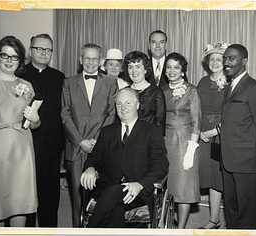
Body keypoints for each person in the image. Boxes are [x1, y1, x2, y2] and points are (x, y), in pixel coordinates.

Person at [80, 88, 169, 228]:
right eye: (119, 104)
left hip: (138, 192)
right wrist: (90, 168)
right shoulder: (107, 131)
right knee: (116, 207)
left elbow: (161, 165)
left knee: (112, 193)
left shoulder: (151, 131)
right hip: (109, 188)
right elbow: (95, 157)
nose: (123, 107)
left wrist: (139, 185)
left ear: (137, 105)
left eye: (128, 103)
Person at [0, 36, 40, 227]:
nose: (9, 60)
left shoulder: (27, 86)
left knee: (19, 205)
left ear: (20, 61)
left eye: (14, 57)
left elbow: (32, 124)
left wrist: (36, 119)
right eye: (5, 55)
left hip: (22, 152)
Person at [61, 43, 118, 227]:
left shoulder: (110, 82)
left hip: (101, 148)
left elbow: (112, 114)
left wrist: (98, 141)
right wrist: (80, 141)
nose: (91, 62)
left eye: (95, 59)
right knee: (78, 198)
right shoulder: (68, 83)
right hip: (76, 147)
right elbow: (65, 115)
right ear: (80, 60)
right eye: (87, 58)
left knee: (102, 195)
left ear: (101, 61)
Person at [23, 34, 65, 227]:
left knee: (51, 196)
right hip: (27, 145)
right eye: (39, 49)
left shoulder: (59, 76)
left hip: (52, 147)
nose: (44, 53)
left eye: (48, 50)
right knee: (28, 195)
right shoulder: (20, 74)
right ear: (30, 50)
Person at [221, 44, 256, 229]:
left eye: (232, 58)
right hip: (228, 160)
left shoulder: (254, 88)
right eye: (225, 58)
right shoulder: (230, 86)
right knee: (231, 207)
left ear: (244, 61)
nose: (226, 62)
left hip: (247, 162)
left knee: (247, 210)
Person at [162, 52, 201, 228]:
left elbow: (196, 122)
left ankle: (181, 229)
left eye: (176, 67)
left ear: (183, 71)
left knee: (183, 188)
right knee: (166, 186)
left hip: (184, 142)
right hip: (164, 141)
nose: (172, 70)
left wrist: (190, 152)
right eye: (169, 67)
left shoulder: (191, 91)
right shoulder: (162, 91)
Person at [197, 41, 230, 229]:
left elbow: (232, 115)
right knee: (210, 178)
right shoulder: (202, 81)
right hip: (202, 136)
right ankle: (214, 219)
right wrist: (199, 131)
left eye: (219, 59)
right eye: (212, 59)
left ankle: (228, 221)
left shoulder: (230, 83)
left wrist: (212, 131)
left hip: (219, 135)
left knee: (220, 179)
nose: (215, 62)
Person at [124, 51, 166, 136]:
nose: (134, 71)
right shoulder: (123, 92)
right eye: (130, 67)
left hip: (149, 141)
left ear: (145, 69)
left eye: (138, 66)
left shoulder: (156, 92)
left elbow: (160, 124)